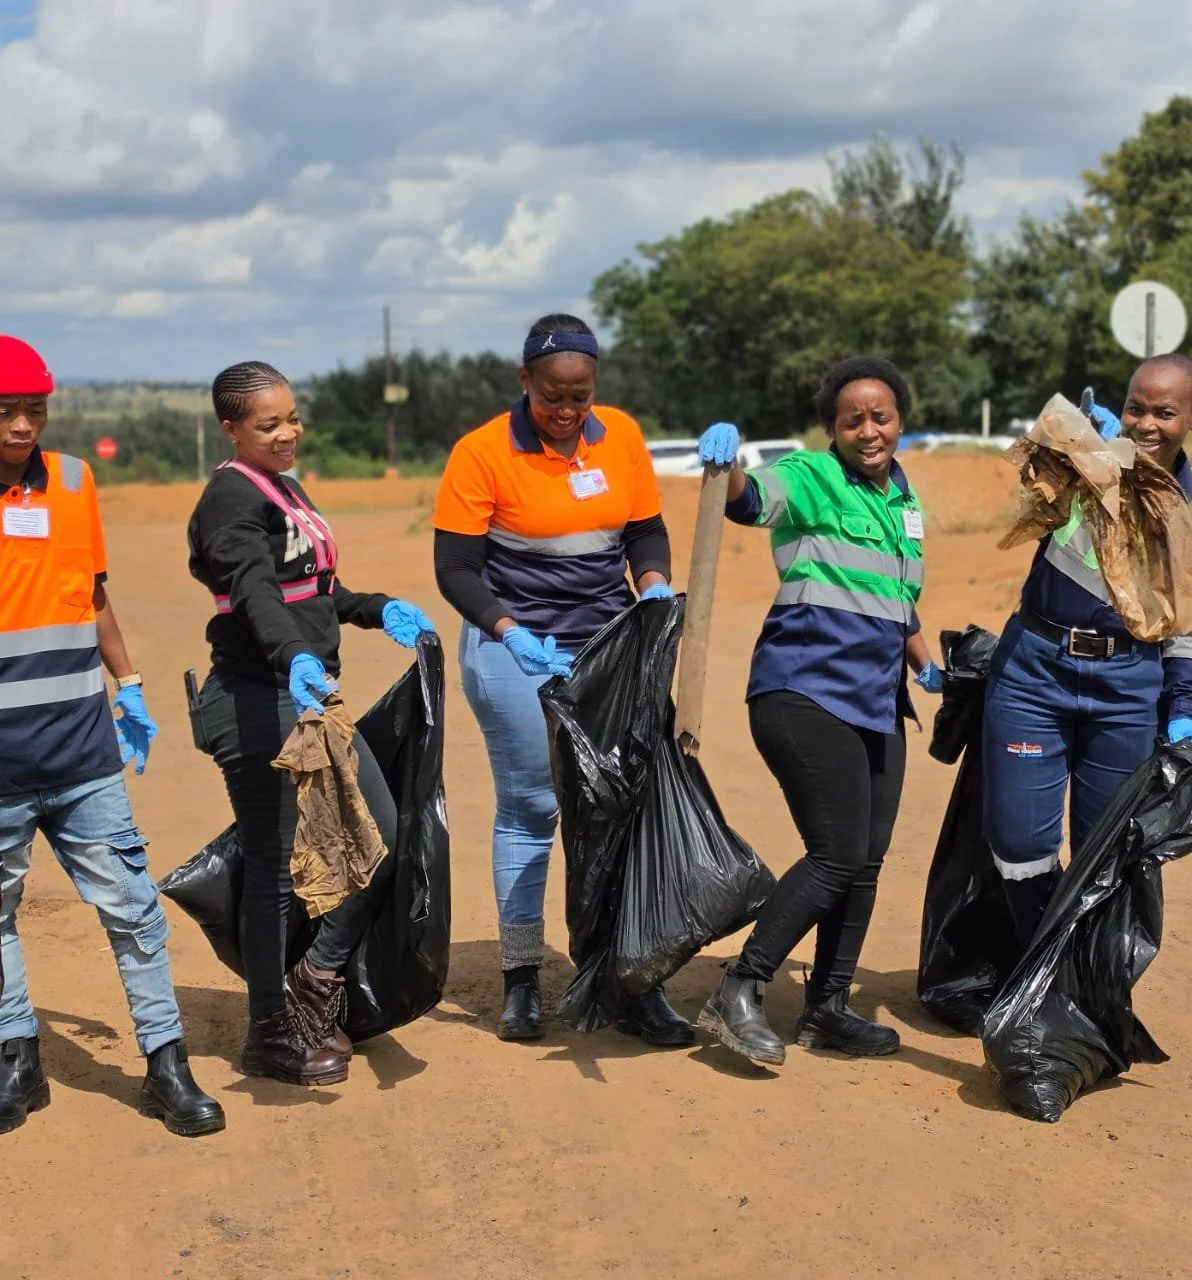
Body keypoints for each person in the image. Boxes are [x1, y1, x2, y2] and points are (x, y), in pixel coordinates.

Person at [433, 313, 692, 1046]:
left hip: (610, 646)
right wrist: (511, 633)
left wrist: (652, 584)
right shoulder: (482, 452)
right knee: (533, 805)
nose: (567, 411)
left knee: (626, 807)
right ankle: (521, 981)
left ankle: (630, 976)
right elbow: (455, 568)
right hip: (515, 645)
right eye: (553, 395)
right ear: (525, 382)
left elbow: (643, 530)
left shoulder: (621, 437)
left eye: (580, 395)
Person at [188, 361, 435, 1086]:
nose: (288, 432)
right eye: (268, 424)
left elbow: (313, 589)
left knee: (379, 837)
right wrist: (296, 655)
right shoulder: (229, 500)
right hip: (257, 700)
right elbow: (257, 591)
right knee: (273, 870)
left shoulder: (282, 488)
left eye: (293, 418)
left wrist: (372, 608)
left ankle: (315, 981)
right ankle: (272, 1030)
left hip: (305, 699)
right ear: (230, 428)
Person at [0, 335, 224, 1137]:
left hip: (81, 751)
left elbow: (90, 594)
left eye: (35, 409)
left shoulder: (72, 481)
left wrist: (127, 686)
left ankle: (167, 1067)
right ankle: (17, 1060)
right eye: (5, 411)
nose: (23, 426)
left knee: (132, 909)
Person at [695, 356, 942, 1068]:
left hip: (874, 702)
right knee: (835, 854)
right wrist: (730, 467)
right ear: (832, 428)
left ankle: (828, 1007)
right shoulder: (810, 476)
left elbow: (896, 597)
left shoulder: (902, 495)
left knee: (864, 862)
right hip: (802, 691)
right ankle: (740, 986)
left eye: (882, 416)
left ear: (901, 420)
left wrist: (927, 665)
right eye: (853, 419)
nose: (870, 430)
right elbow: (750, 501)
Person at [981, 355, 1192, 946]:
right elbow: (1032, 490)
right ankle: (1038, 966)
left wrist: (1184, 708)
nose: (1146, 423)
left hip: (1128, 686)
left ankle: (1073, 990)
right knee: (1017, 841)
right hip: (1034, 672)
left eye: (1164, 413)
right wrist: (1066, 442)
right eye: (1135, 408)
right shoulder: (1084, 462)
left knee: (1107, 849)